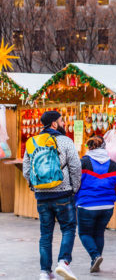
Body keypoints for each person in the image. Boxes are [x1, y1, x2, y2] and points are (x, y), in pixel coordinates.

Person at [23, 111, 81, 280]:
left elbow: (27, 170)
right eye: (61, 121)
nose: (63, 124)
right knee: (69, 228)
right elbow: (76, 167)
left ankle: (45, 272)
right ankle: (63, 262)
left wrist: (36, 187)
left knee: (45, 234)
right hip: (63, 193)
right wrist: (74, 188)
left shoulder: (32, 142)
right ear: (54, 124)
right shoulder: (65, 141)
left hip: (42, 197)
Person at [75, 136, 116, 273]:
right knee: (99, 233)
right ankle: (95, 262)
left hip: (87, 205)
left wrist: (73, 200)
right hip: (107, 207)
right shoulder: (114, 165)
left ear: (89, 147)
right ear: (104, 147)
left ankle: (95, 256)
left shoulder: (83, 163)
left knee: (84, 233)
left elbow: (75, 184)